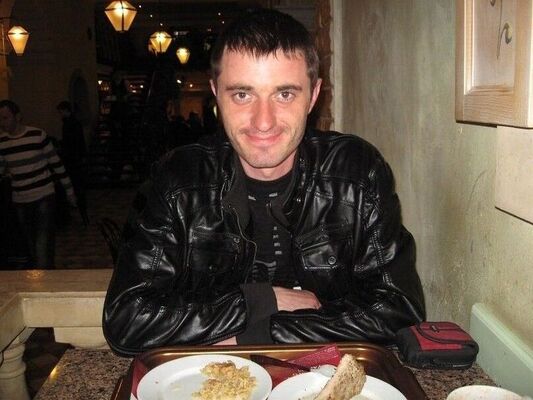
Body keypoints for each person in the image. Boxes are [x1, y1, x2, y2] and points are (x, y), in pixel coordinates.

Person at [103, 8, 425, 356]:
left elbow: (399, 310)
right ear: (216, 93)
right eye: (242, 94)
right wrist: (258, 301)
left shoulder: (357, 172)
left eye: (284, 94)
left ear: (313, 96)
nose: (263, 121)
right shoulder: (178, 180)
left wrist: (261, 333)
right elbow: (127, 318)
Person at [0, 100, 76, 269]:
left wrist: (69, 190)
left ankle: (46, 276)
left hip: (43, 195)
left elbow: (56, 164)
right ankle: (45, 276)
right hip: (20, 199)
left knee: (42, 244)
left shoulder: (37, 135)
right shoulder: (2, 143)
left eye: (5, 118)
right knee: (31, 246)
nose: (2, 123)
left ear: (17, 117)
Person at [56, 100, 88, 226]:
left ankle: (76, 210)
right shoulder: (74, 123)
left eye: (60, 111)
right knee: (77, 187)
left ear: (65, 110)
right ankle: (81, 212)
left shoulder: (69, 124)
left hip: (72, 160)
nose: (60, 114)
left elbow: (72, 142)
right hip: (75, 159)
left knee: (74, 186)